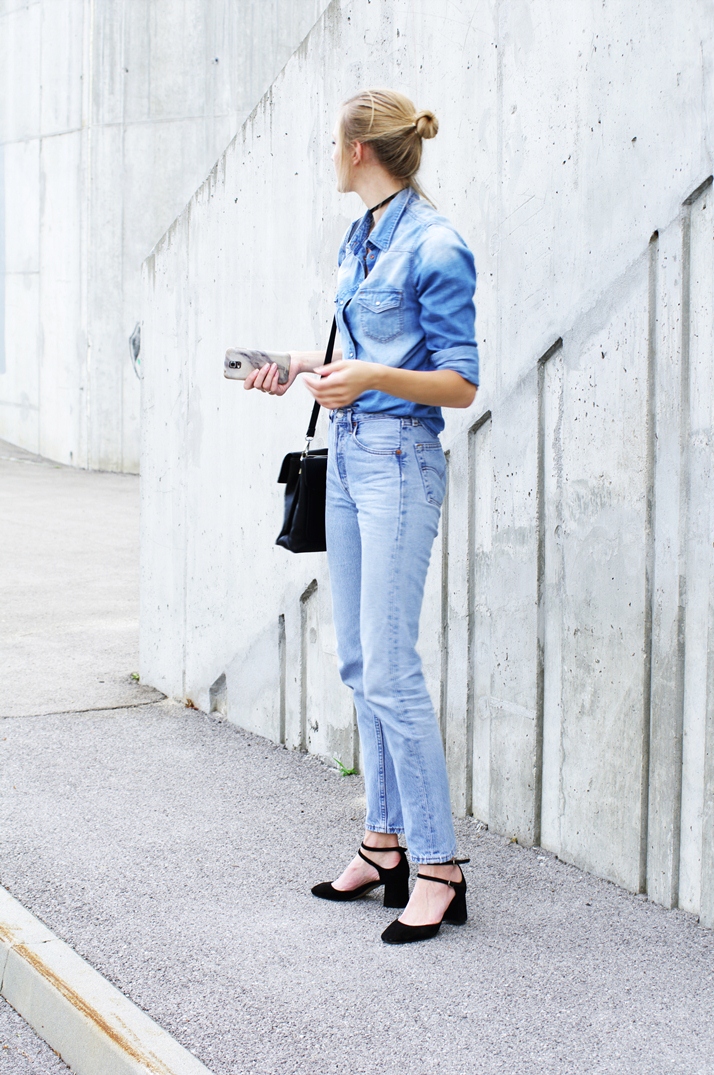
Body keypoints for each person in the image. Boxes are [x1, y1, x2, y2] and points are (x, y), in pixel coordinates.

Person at [245, 88, 479, 944]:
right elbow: (359, 350)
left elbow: (460, 382)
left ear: (357, 151)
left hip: (398, 463)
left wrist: (373, 379)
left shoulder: (437, 244)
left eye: (332, 144)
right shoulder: (362, 236)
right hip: (346, 458)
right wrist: (299, 364)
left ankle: (441, 866)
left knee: (391, 667)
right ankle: (384, 843)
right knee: (358, 660)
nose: (329, 157)